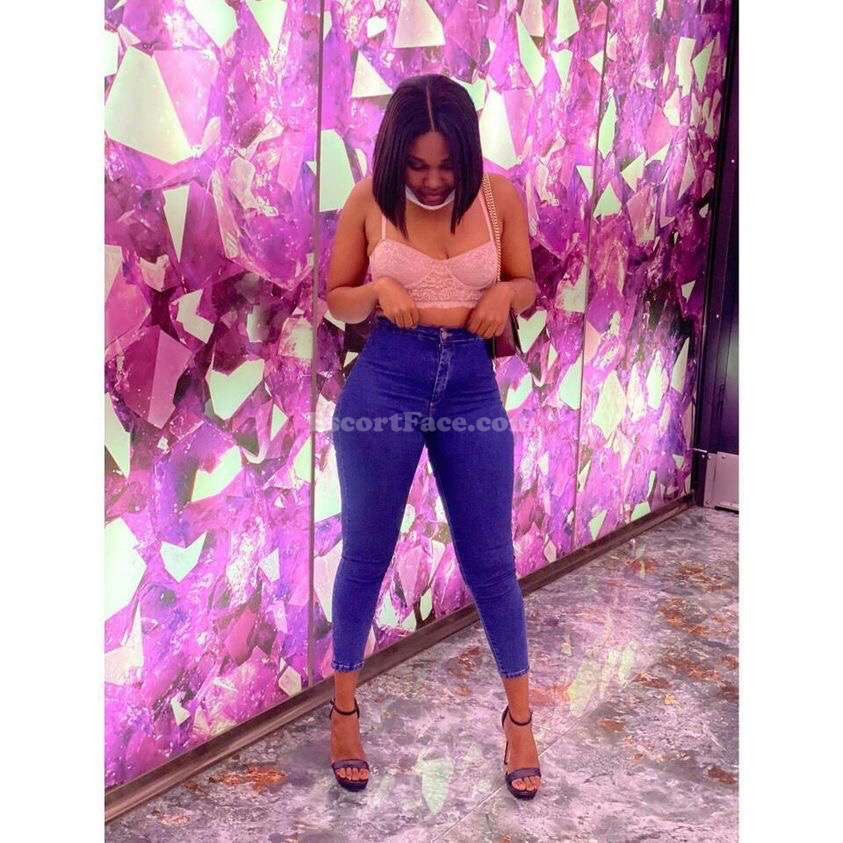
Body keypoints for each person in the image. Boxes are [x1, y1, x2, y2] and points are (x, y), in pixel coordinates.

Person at [325, 74, 541, 799]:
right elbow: (336, 298)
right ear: (395, 156)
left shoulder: (499, 198)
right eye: (416, 165)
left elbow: (526, 282)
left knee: (492, 563)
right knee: (366, 555)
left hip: (470, 388)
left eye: (446, 165)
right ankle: (344, 710)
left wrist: (503, 294)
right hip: (385, 383)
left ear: (467, 155)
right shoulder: (369, 201)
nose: (431, 179)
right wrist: (377, 293)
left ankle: (519, 719)